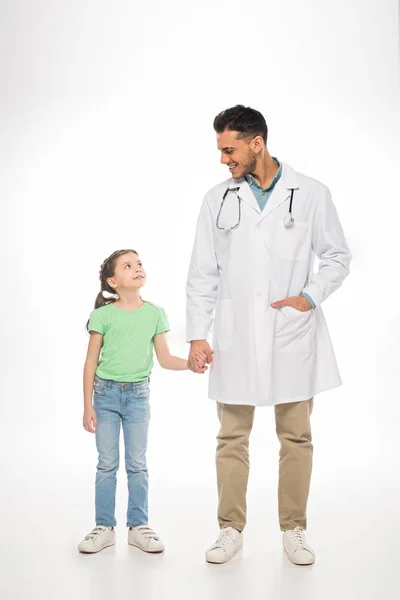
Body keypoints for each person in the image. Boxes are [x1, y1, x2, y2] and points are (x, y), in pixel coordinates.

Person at [186, 105, 351, 565]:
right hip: (236, 332)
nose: (224, 159)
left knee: (295, 435)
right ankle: (229, 529)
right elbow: (203, 272)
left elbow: (337, 256)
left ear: (256, 143)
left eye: (229, 149)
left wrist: (310, 297)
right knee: (231, 435)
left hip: (291, 330)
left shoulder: (312, 193)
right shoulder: (216, 199)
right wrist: (198, 334)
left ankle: (294, 529)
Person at [78, 249, 205, 554]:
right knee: (107, 464)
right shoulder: (103, 315)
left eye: (139, 264)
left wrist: (188, 363)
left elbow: (164, 358)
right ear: (113, 280)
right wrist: (87, 406)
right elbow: (90, 364)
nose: (137, 268)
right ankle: (104, 527)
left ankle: (138, 526)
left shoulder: (154, 313)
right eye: (127, 266)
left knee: (137, 464)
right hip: (105, 396)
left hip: (137, 397)